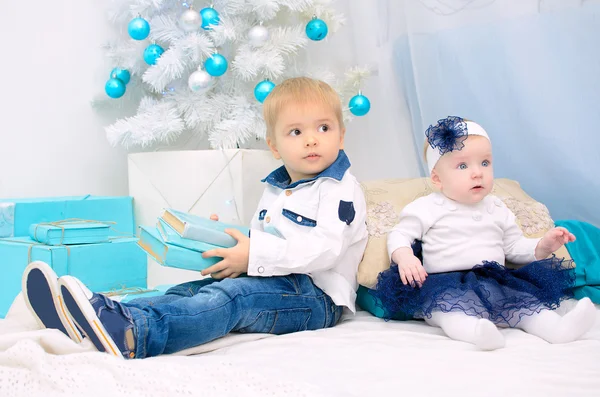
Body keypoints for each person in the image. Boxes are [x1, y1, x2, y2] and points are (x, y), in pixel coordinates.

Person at [22, 77, 368, 359]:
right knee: (192, 292)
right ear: (274, 147)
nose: (311, 139)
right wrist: (228, 237)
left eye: (323, 128)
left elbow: (325, 249)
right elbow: (266, 236)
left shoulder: (339, 189)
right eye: (296, 132)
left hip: (316, 298)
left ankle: (135, 334)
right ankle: (102, 315)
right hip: (275, 280)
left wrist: (254, 255)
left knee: (233, 299)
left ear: (341, 135)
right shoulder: (278, 187)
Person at [370, 116, 595, 350]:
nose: (477, 173)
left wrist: (544, 245)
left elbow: (514, 248)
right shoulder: (426, 207)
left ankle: (558, 329)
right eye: (463, 166)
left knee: (525, 305)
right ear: (437, 178)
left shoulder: (496, 207)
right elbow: (399, 234)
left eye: (485, 163)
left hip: (494, 280)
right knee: (448, 313)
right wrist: (405, 257)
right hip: (444, 283)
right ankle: (477, 333)